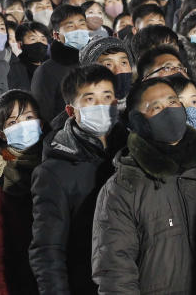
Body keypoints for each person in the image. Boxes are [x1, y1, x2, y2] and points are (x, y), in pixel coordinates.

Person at [91, 76, 196, 294]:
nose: (168, 111)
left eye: (172, 102)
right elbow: (115, 272)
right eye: (156, 107)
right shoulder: (123, 187)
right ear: (138, 121)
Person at [30, 64, 125, 295]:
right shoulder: (54, 171)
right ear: (71, 111)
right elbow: (48, 250)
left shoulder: (132, 153)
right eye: (90, 99)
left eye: (107, 97)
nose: (101, 105)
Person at [0, 90, 46, 295]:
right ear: (1, 134)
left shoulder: (56, 162)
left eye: (29, 118)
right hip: (19, 280)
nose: (23, 125)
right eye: (13, 122)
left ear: (40, 123)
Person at [31, 5, 90, 123]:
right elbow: (43, 116)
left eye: (82, 24)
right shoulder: (46, 72)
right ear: (56, 35)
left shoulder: (95, 63)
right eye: (70, 26)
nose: (78, 30)